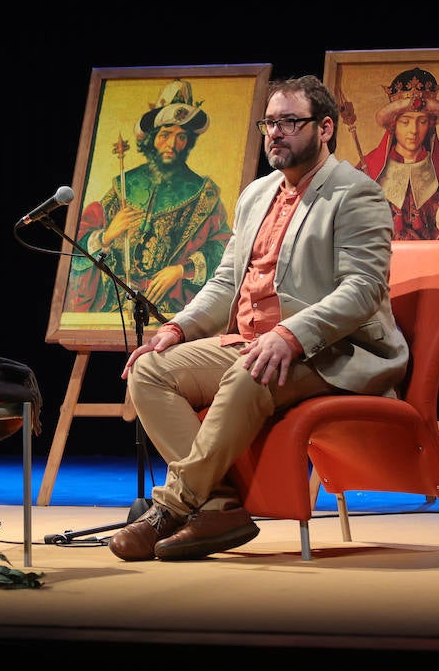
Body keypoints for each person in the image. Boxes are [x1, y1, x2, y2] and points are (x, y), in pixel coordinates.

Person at [108, 75, 408, 561]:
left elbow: (363, 289)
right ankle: (220, 507)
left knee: (252, 372)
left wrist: (291, 335)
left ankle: (172, 505)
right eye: (269, 122)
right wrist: (177, 328)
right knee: (149, 369)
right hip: (251, 342)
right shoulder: (256, 194)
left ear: (325, 127)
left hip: (333, 351)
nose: (275, 132)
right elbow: (227, 281)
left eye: (290, 121)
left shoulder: (355, 193)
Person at [65, 79, 233, 318]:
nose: (172, 144)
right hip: (114, 306)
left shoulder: (204, 194)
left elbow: (224, 248)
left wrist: (180, 271)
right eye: (165, 135)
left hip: (172, 311)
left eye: (181, 137)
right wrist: (106, 236)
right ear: (152, 139)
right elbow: (77, 243)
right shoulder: (123, 186)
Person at [352, 67, 439, 304]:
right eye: (405, 122)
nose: (413, 131)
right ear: (393, 126)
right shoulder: (367, 172)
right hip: (380, 286)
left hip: (431, 285)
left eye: (421, 121)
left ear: (431, 126)